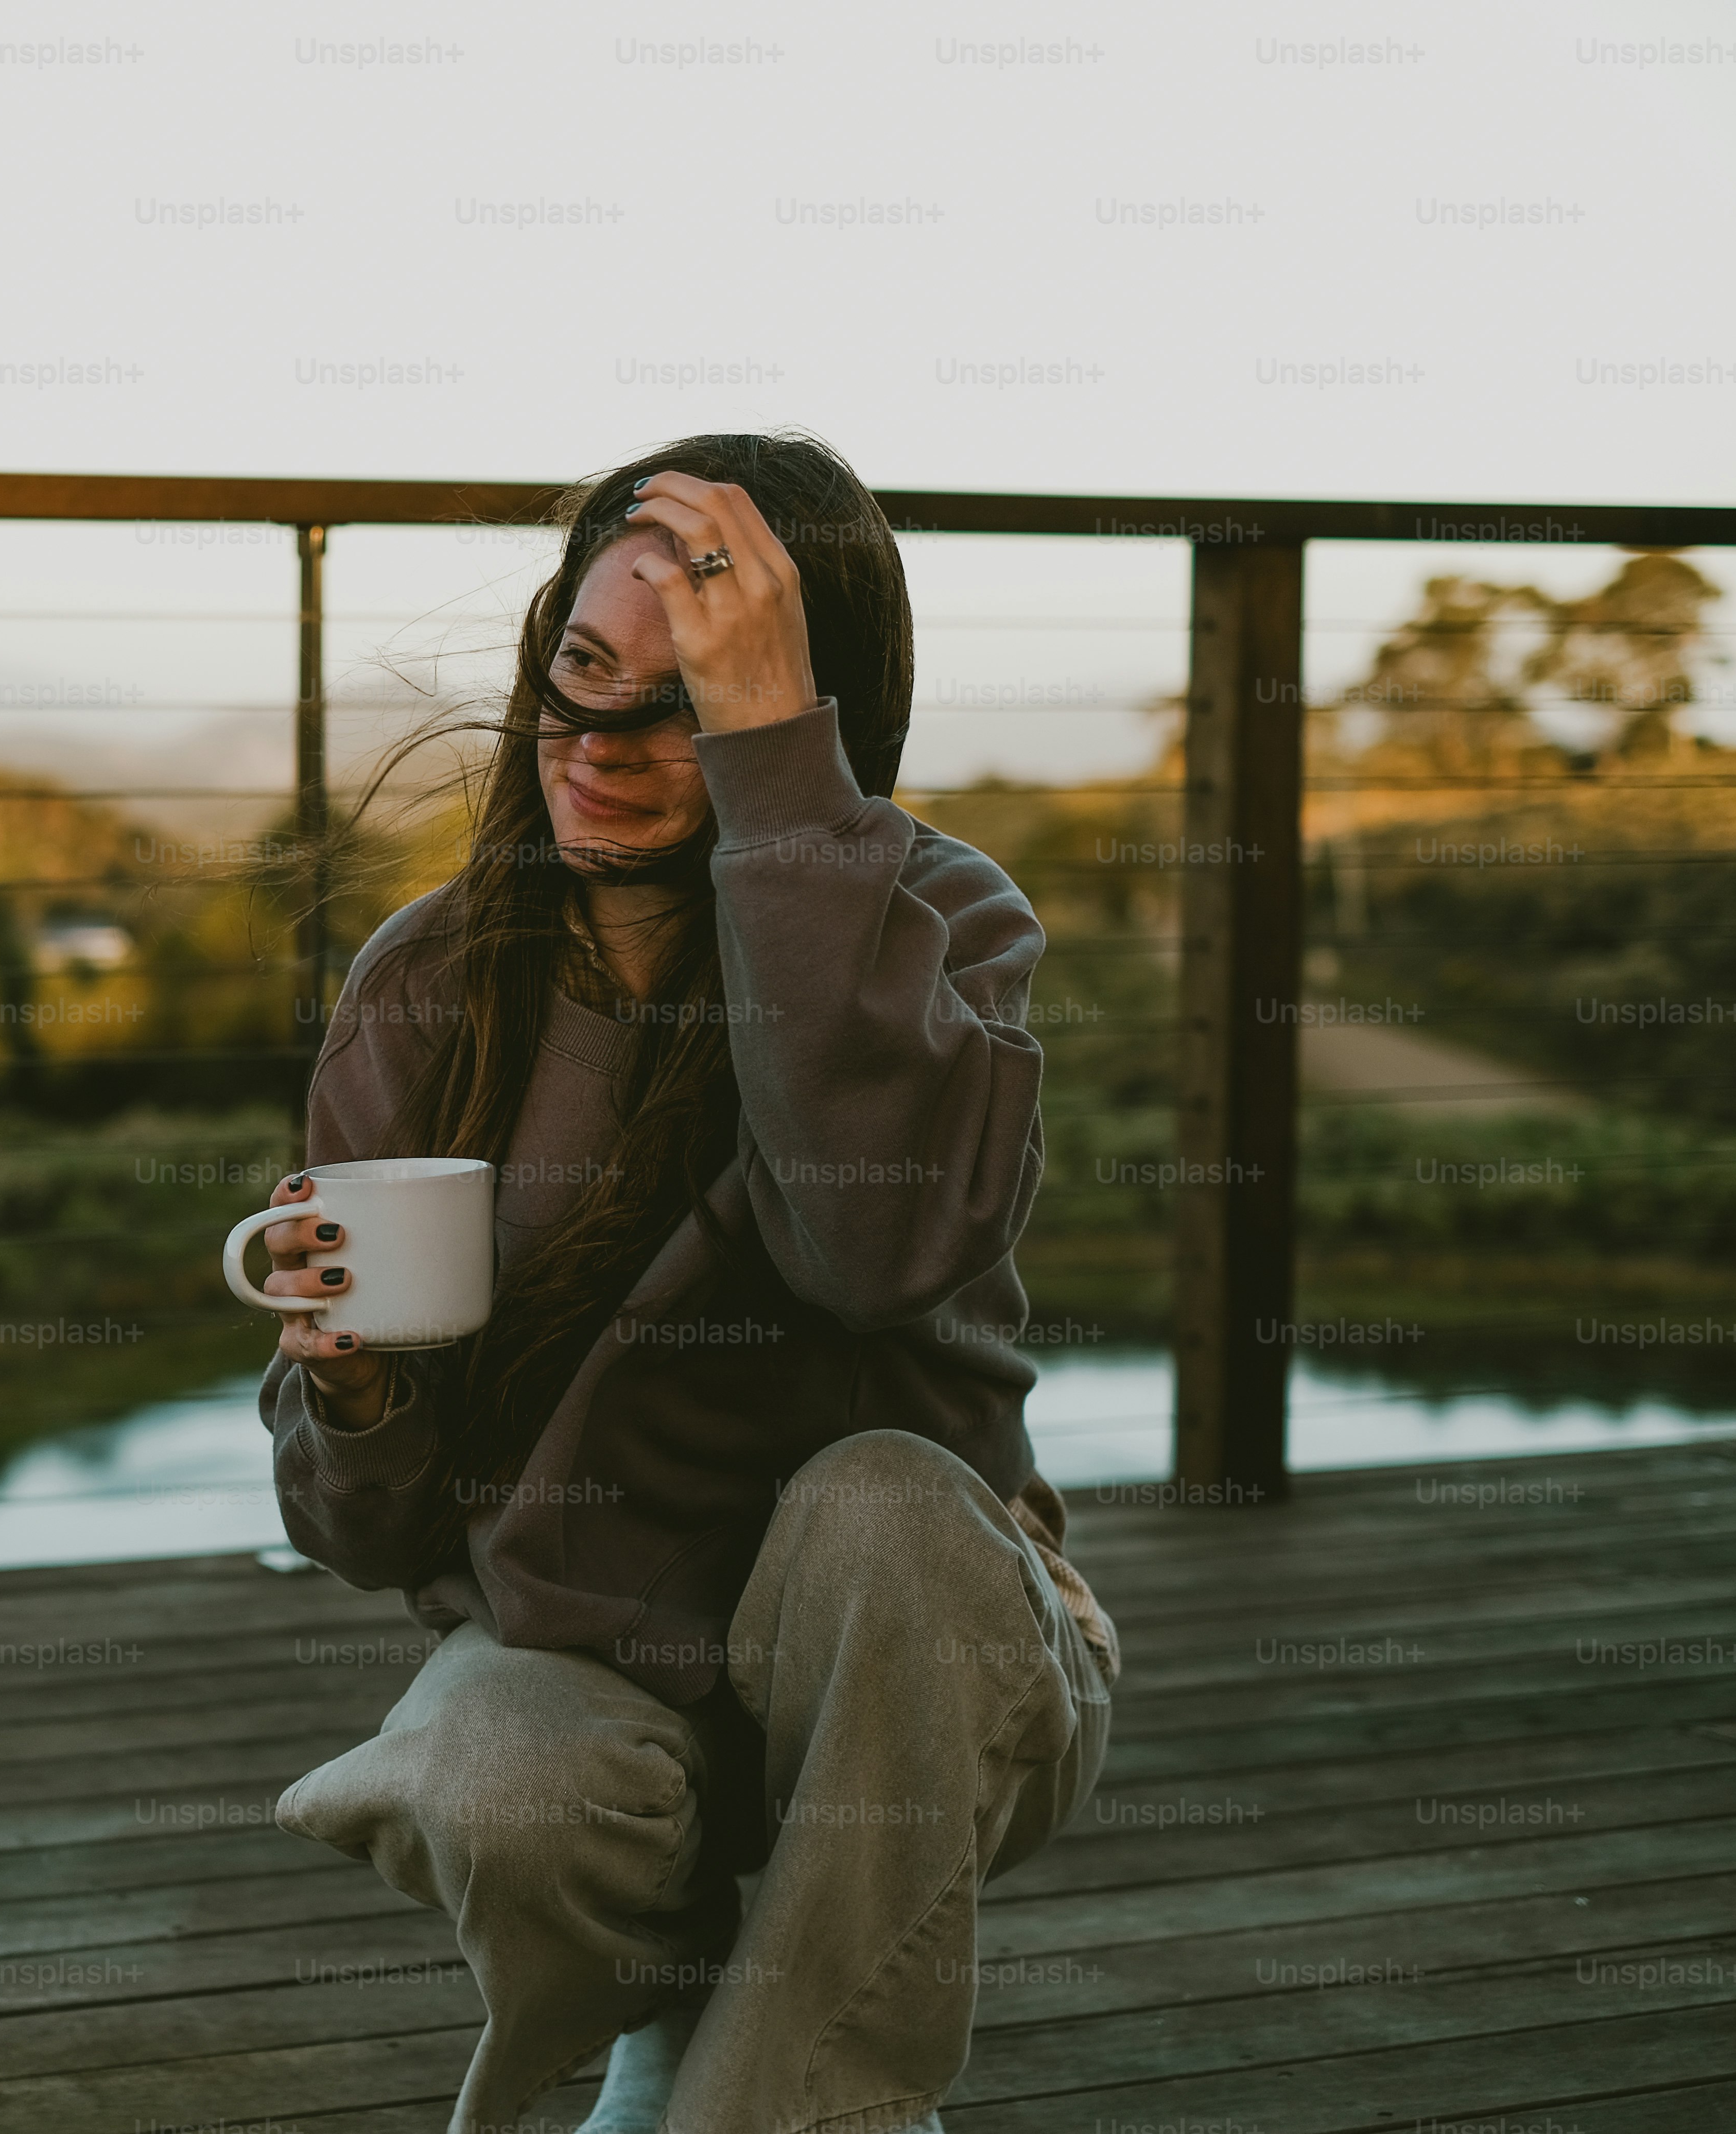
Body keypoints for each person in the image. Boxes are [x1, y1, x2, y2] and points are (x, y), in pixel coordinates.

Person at [250, 435, 1119, 2134]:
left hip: (910, 1665)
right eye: (578, 673)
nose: (598, 745)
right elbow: (359, 1536)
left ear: (804, 715)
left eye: (690, 703)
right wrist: (347, 1387)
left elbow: (862, 1258)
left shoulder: (942, 923)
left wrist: (784, 794)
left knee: (876, 1497)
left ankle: (765, 2099)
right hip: (589, 1659)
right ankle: (683, 2014)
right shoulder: (429, 979)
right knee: (488, 1779)